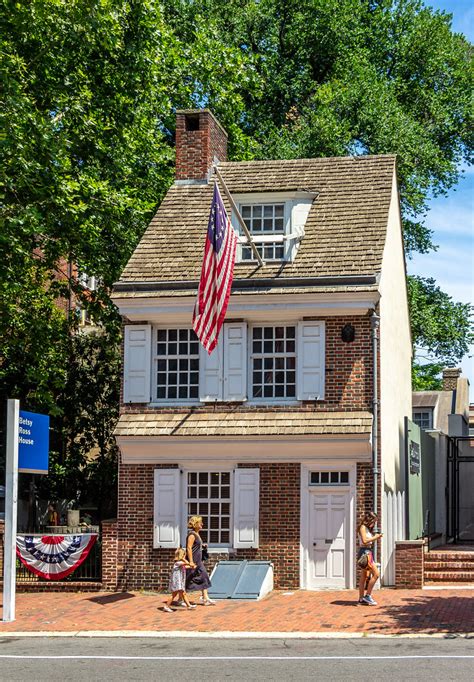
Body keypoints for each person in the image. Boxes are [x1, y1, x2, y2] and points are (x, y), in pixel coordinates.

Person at [185, 515, 215, 606]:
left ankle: (205, 598)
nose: (202, 524)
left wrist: (203, 546)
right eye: (200, 522)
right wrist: (190, 561)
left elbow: (195, 546)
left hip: (198, 560)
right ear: (195, 524)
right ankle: (179, 598)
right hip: (193, 560)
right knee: (187, 578)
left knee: (204, 576)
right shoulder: (192, 534)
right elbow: (189, 548)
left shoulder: (197, 534)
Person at [357, 511, 383, 605]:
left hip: (367, 551)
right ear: (369, 519)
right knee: (376, 574)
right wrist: (376, 537)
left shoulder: (367, 528)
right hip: (365, 552)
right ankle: (367, 596)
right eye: (373, 521)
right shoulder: (362, 527)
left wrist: (375, 537)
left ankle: (361, 598)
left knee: (364, 576)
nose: (374, 524)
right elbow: (364, 540)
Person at [163, 548, 197, 612]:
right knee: (174, 594)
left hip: (180, 581)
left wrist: (192, 566)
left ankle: (189, 606)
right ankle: (166, 606)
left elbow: (185, 567)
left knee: (183, 593)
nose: (185, 556)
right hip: (176, 582)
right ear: (182, 555)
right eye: (184, 555)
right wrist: (185, 560)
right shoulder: (178, 563)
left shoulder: (180, 564)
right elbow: (187, 563)